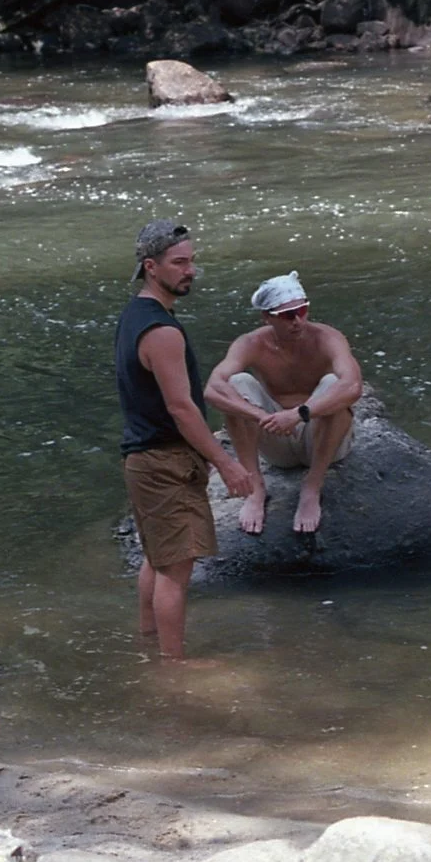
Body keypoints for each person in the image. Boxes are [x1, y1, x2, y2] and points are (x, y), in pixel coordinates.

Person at [115, 221, 256, 659]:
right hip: (165, 462)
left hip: (143, 458)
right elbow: (181, 407)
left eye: (192, 260)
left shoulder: (135, 315)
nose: (190, 270)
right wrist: (226, 463)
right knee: (176, 571)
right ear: (150, 267)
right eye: (180, 263)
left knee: (156, 560)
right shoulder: (162, 331)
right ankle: (173, 673)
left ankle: (148, 645)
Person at [204, 271, 362, 536]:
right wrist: (257, 415)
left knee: (334, 385)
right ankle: (255, 489)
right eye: (288, 315)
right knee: (236, 385)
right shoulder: (251, 343)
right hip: (276, 437)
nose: (298, 321)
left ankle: (312, 488)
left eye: (302, 310)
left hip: (319, 437)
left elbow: (353, 386)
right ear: (267, 317)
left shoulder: (327, 337)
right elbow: (212, 389)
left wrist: (300, 414)